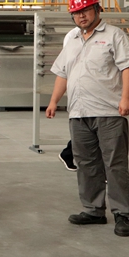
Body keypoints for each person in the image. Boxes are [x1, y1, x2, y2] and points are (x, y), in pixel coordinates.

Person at [46, 0, 129, 237]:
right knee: (86, 163)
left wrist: (126, 98)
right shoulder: (72, 40)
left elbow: (128, 67)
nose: (81, 16)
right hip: (78, 113)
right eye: (76, 12)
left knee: (115, 165)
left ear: (98, 9)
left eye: (86, 10)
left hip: (109, 112)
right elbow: (62, 74)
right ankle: (93, 210)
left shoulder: (114, 35)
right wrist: (54, 101)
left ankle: (122, 214)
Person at [58, 27, 80, 172]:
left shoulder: (110, 34)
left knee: (97, 133)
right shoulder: (73, 35)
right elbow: (68, 64)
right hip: (80, 88)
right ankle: (68, 153)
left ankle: (68, 153)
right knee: (86, 130)